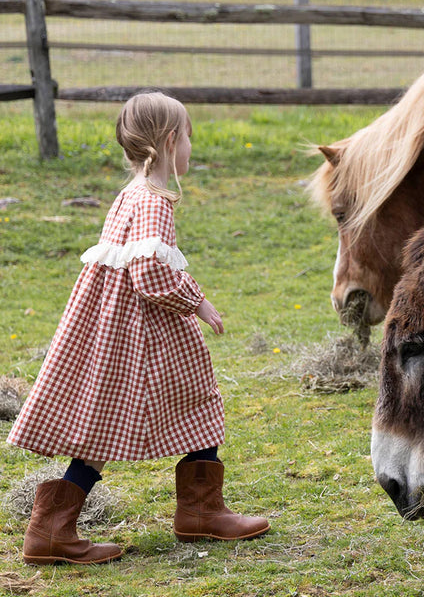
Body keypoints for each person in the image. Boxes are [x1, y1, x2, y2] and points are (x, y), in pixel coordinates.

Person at [7, 92, 270, 566]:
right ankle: (62, 527)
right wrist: (198, 302)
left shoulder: (131, 194)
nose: (191, 145)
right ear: (171, 141)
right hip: (142, 334)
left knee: (127, 417)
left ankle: (189, 513)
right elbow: (149, 274)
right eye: (189, 136)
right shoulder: (154, 201)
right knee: (190, 400)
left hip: (120, 329)